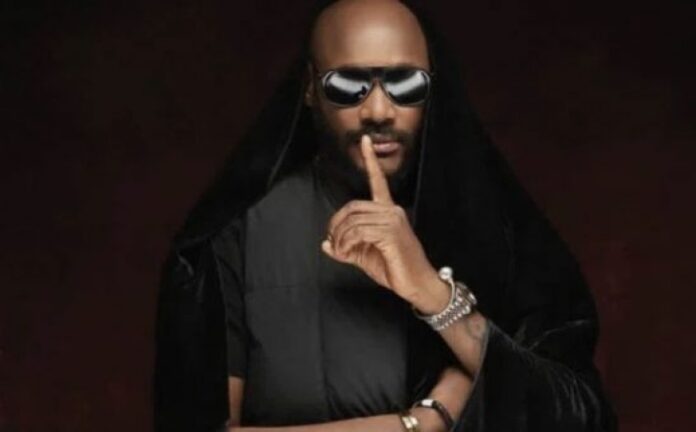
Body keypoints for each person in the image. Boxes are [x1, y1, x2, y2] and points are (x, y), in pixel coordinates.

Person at [153, 1, 617, 431]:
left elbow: (582, 419)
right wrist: (423, 422)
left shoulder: (498, 227)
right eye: (347, 86)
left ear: (433, 87)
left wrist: (432, 293)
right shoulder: (241, 229)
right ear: (311, 88)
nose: (378, 111)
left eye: (405, 84)